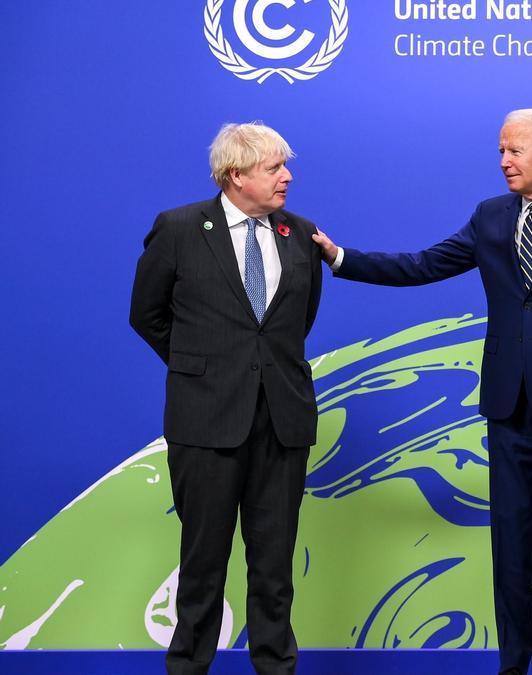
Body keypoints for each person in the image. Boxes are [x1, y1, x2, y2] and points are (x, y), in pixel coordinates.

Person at [312, 108, 532, 675]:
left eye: (514, 150)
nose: (503, 161)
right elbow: (425, 264)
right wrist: (341, 258)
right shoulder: (490, 217)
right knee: (510, 552)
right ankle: (513, 666)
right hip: (508, 412)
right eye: (501, 151)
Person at [130, 122, 323, 675]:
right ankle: (189, 665)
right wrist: (204, 369)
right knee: (202, 565)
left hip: (282, 423)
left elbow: (294, 325)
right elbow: (146, 315)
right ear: (236, 176)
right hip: (206, 422)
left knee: (274, 569)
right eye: (274, 168)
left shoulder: (301, 235)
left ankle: (275, 667)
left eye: (286, 166)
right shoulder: (180, 229)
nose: (287, 177)